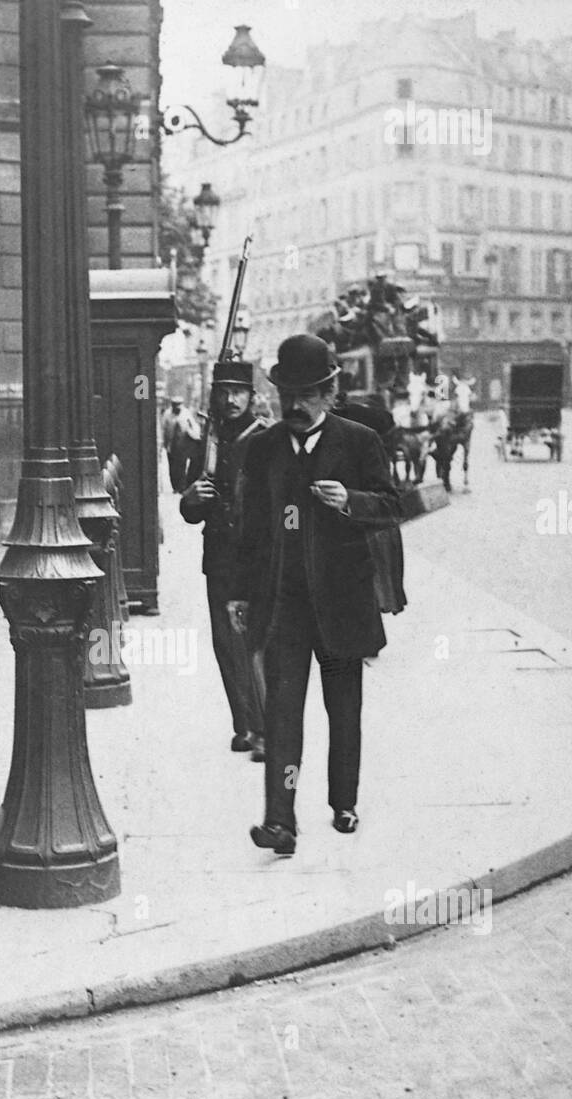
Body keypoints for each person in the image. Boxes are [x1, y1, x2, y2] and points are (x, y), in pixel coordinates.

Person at [228, 334, 401, 855]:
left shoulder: (359, 441)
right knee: (282, 715)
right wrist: (239, 593)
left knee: (343, 709)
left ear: (330, 392)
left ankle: (343, 803)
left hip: (343, 601)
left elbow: (391, 506)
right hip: (284, 605)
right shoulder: (262, 449)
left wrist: (351, 500)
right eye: (288, 395)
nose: (295, 406)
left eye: (307, 395)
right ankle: (279, 821)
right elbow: (250, 528)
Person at [180, 361, 268, 758]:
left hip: (256, 555)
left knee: (256, 640)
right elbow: (191, 506)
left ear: (252, 395)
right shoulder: (208, 438)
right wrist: (191, 498)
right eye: (224, 392)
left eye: (239, 392)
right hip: (218, 555)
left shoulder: (266, 438)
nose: (231, 399)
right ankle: (244, 725)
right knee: (224, 642)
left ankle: (266, 728)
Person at [161, 396, 198, 493]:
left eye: (179, 406)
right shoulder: (167, 414)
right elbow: (163, 429)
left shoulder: (186, 413)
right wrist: (163, 444)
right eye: (175, 406)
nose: (177, 408)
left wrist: (193, 435)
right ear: (172, 405)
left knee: (181, 465)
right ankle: (175, 486)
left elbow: (194, 426)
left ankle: (181, 487)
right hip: (171, 445)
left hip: (182, 445)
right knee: (172, 467)